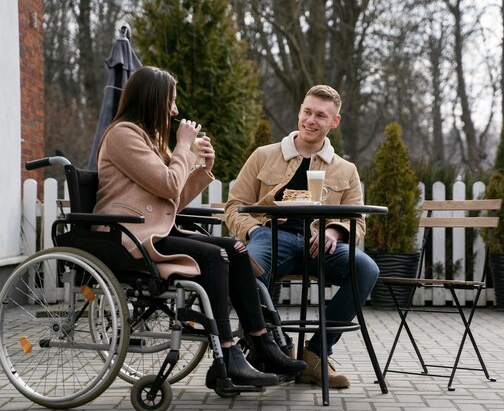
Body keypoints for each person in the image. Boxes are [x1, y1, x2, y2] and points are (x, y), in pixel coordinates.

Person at [92, 66, 306, 390]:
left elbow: (170, 203)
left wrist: (203, 169)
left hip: (155, 230)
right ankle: (230, 356)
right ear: (153, 99)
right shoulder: (123, 135)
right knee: (213, 257)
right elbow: (167, 184)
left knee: (235, 248)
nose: (175, 110)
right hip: (131, 236)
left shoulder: (148, 140)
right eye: (171, 101)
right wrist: (182, 147)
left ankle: (263, 344)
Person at [224, 85, 380, 388]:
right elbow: (233, 207)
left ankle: (316, 354)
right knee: (245, 269)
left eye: (321, 115)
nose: (311, 120)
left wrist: (335, 231)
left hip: (321, 243)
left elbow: (358, 222)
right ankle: (276, 349)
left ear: (334, 122)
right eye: (307, 112)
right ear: (299, 111)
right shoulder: (263, 156)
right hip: (270, 235)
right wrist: (255, 230)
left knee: (366, 269)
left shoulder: (345, 170)